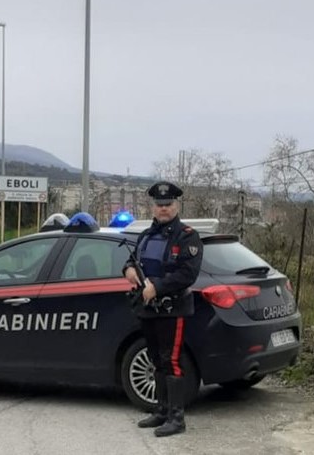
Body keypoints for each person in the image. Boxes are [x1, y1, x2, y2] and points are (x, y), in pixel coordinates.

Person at [123, 181, 203, 437]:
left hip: (173, 308)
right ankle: (161, 410)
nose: (164, 209)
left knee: (172, 361)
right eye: (159, 205)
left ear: (176, 205)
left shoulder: (187, 236)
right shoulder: (146, 236)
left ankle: (177, 418)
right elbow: (132, 260)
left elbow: (187, 274)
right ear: (153, 207)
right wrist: (129, 270)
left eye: (168, 204)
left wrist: (157, 288)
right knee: (156, 360)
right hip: (148, 309)